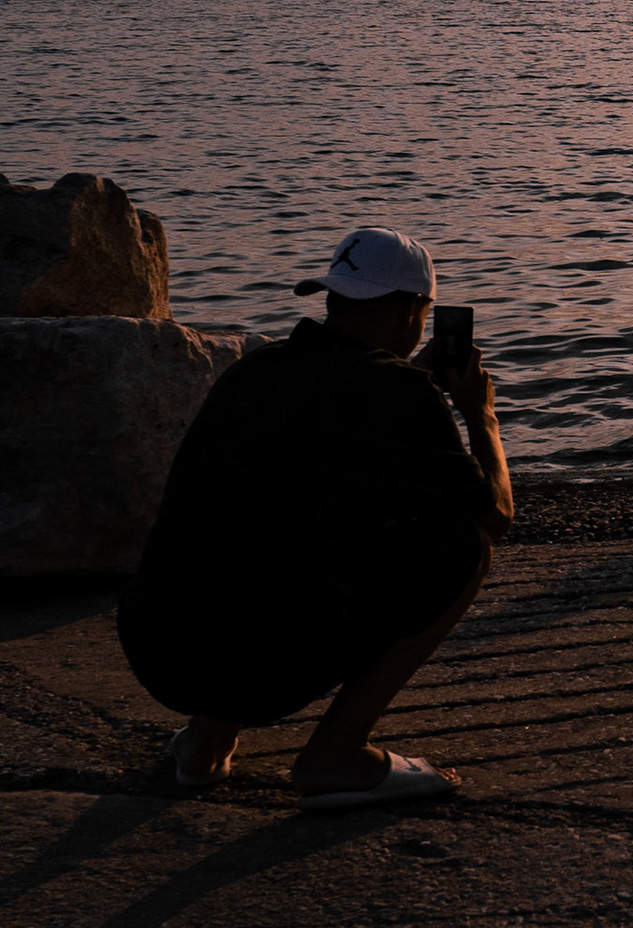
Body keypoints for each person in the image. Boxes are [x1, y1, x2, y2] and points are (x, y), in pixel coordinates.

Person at [118, 227, 513, 810]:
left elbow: (330, 437)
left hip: (158, 648)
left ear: (332, 298)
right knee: (464, 544)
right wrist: (481, 416)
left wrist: (417, 384)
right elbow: (497, 514)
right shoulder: (400, 394)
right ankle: (337, 753)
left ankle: (205, 741)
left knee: (255, 537)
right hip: (259, 671)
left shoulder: (256, 370)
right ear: (413, 309)